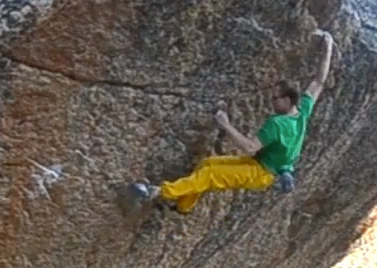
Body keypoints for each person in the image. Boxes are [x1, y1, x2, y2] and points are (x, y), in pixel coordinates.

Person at [132, 30, 335, 212]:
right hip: (262, 166)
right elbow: (319, 81)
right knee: (208, 164)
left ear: (287, 100)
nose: (272, 101)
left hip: (259, 172)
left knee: (211, 176)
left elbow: (249, 147)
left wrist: (226, 125)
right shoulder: (303, 111)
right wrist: (327, 45)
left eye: (276, 98)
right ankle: (183, 206)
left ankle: (158, 192)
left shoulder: (276, 125)